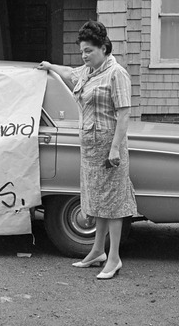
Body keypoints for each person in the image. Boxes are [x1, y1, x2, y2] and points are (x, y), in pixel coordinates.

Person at [38, 21, 137, 279]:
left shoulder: (116, 74)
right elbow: (70, 73)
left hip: (109, 148)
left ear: (103, 48)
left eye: (89, 50)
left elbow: (124, 114)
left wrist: (115, 149)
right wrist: (49, 66)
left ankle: (114, 258)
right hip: (90, 147)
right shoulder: (87, 71)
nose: (84, 55)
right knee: (97, 201)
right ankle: (97, 251)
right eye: (82, 51)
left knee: (114, 204)